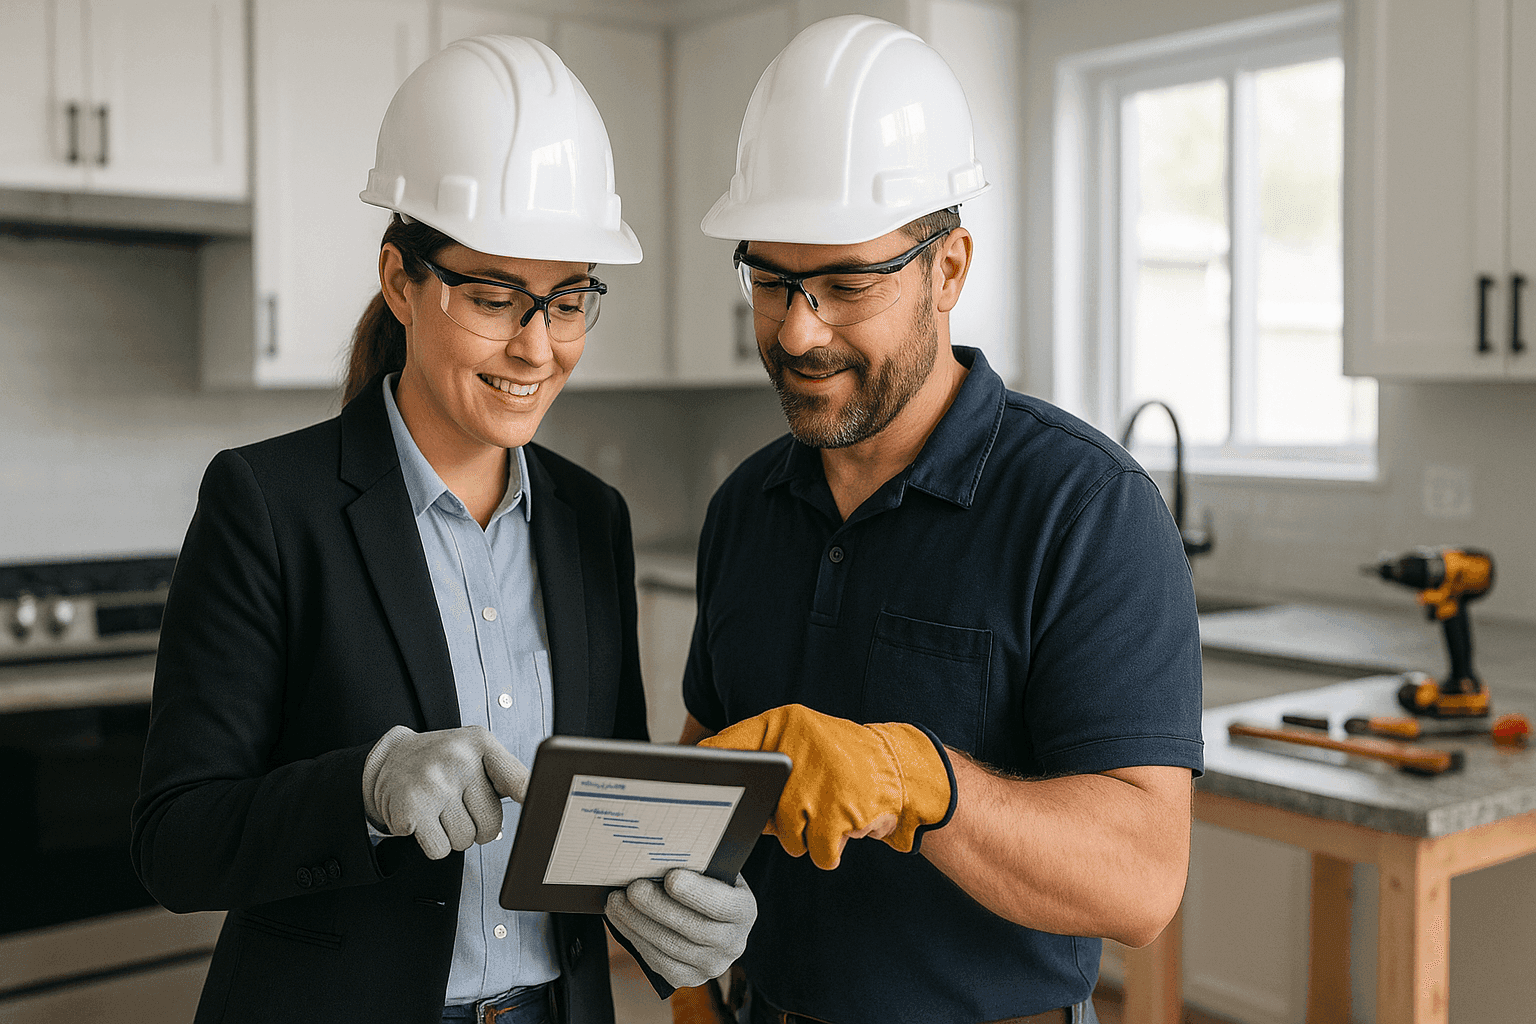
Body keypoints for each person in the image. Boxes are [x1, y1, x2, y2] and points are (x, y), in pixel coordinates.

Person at [132, 35, 749, 1024]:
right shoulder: (268, 503)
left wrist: (688, 917)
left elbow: (606, 826)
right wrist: (366, 788)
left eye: (568, 300)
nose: (536, 346)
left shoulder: (593, 520)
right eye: (495, 297)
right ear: (400, 279)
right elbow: (177, 840)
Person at [679, 16, 1204, 1024]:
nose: (798, 329)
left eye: (845, 284)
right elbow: (707, 792)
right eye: (773, 280)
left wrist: (919, 781)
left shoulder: (1086, 510)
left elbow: (1142, 881)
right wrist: (693, 999)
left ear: (949, 269)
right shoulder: (745, 505)